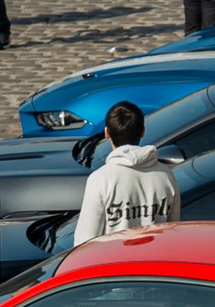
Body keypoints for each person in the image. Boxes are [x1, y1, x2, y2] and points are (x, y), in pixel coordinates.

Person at [74, 101, 178, 243]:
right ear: (143, 131)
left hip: (114, 263)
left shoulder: (101, 179)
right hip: (155, 261)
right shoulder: (166, 175)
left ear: (106, 133)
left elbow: (85, 241)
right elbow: (173, 230)